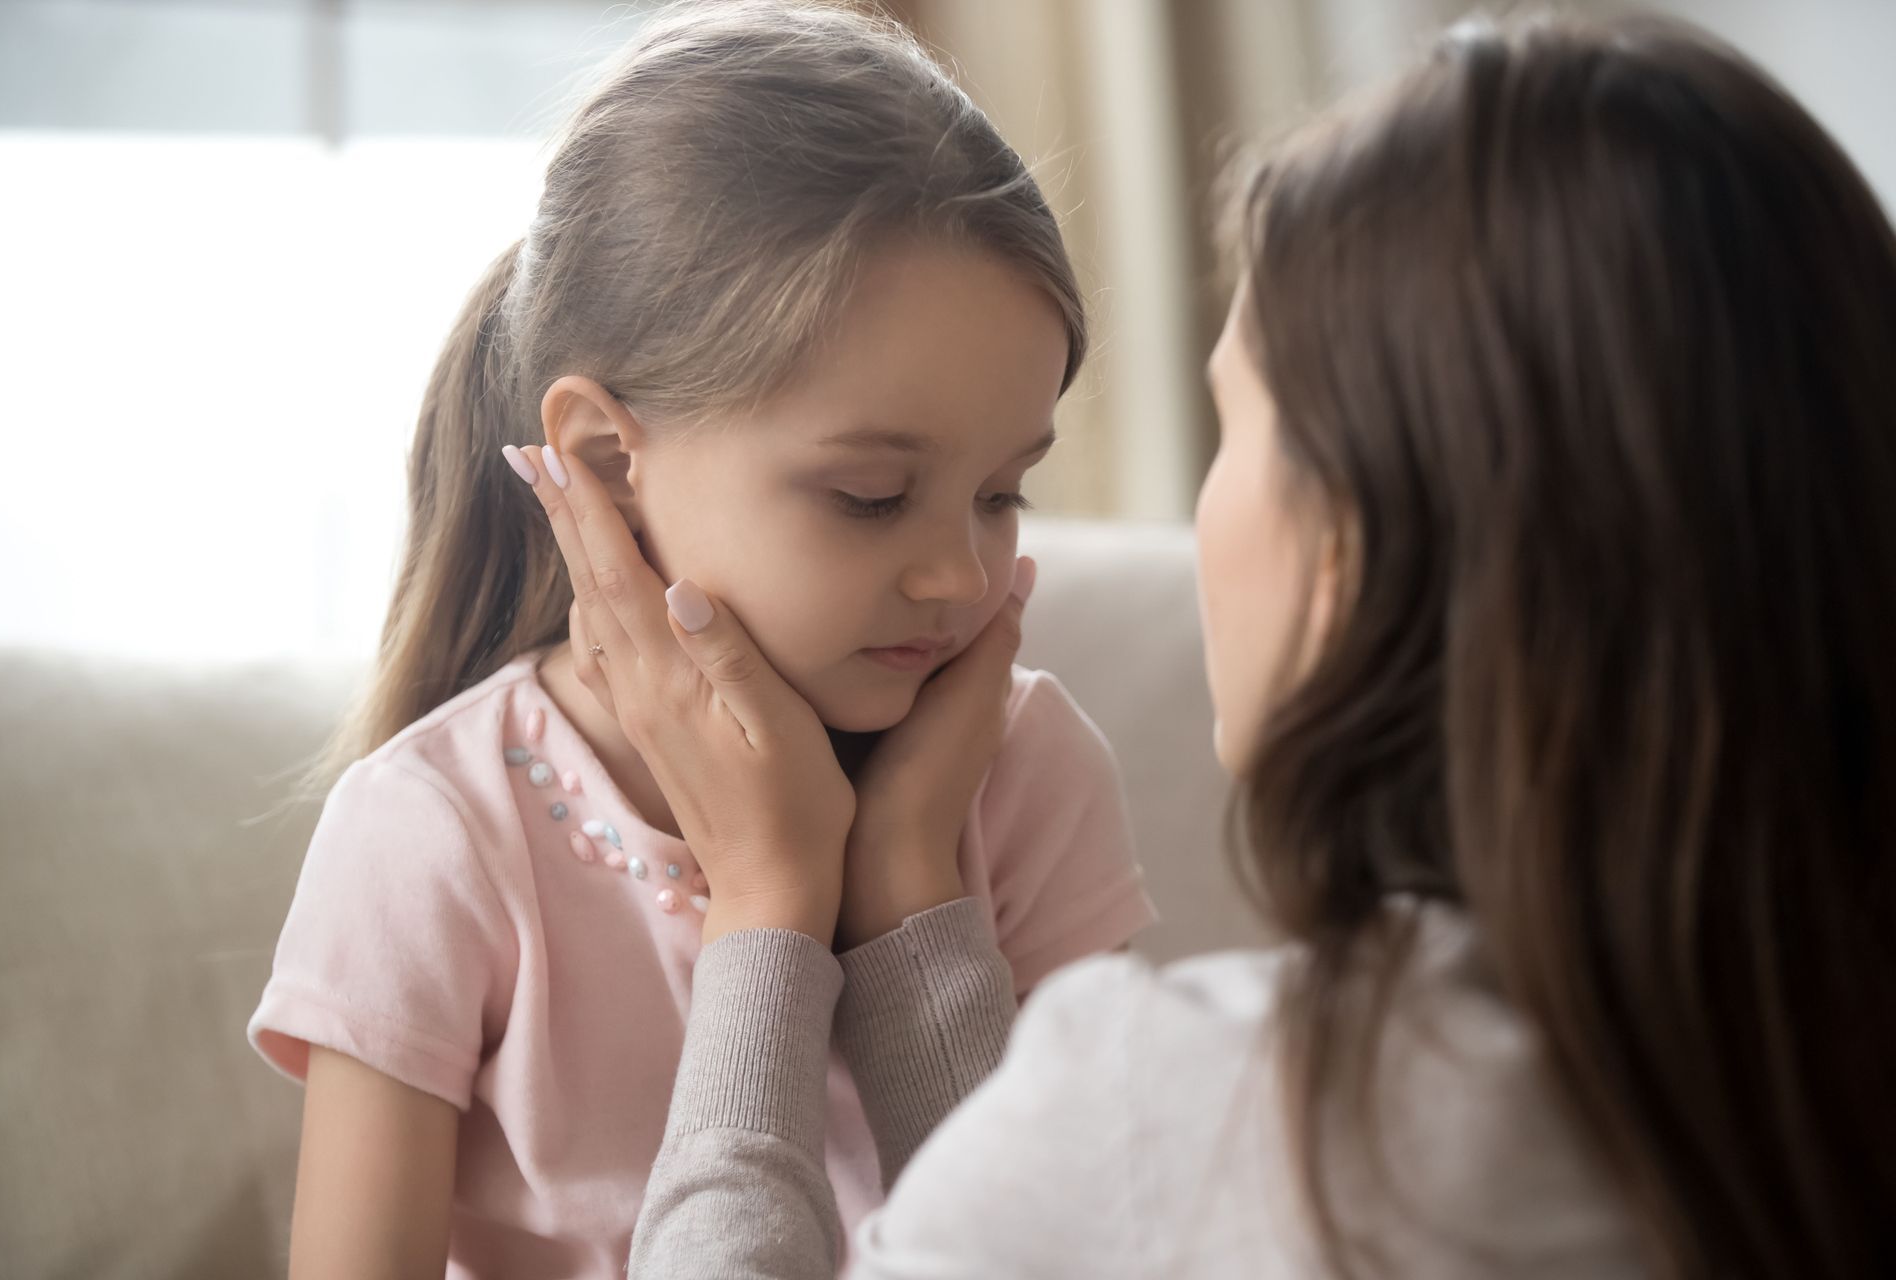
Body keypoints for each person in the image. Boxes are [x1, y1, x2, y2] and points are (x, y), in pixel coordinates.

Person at [542, 12, 1896, 1278]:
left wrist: (773, 897)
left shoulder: (1201, 1117)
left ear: (1350, 548)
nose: (965, 570)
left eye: (1235, 426)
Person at [244, 3, 1156, 1274]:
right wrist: (778, 899)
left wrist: (911, 886)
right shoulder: (434, 835)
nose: (961, 571)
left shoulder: (1025, 776)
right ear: (610, 461)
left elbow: (1074, 1254)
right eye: (870, 498)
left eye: (1003, 492)